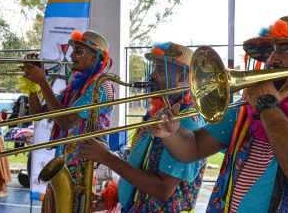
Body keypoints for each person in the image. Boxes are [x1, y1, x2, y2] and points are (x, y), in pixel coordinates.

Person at [148, 16, 288, 212]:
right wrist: (171, 134)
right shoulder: (248, 106)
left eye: (286, 51)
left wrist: (267, 107)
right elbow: (193, 148)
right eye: (271, 51)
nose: (272, 60)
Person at [79, 42, 207, 212]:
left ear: (183, 78)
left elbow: (163, 189)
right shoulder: (159, 113)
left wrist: (107, 157)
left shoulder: (186, 122)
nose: (152, 74)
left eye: (161, 70)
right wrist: (117, 195)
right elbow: (142, 167)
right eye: (154, 68)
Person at [24, 30, 115, 212]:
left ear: (95, 57)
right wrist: (32, 86)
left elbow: (66, 122)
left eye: (78, 51)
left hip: (81, 170)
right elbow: (37, 113)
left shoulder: (101, 86)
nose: (72, 55)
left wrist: (43, 82)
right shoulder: (74, 87)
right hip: (64, 167)